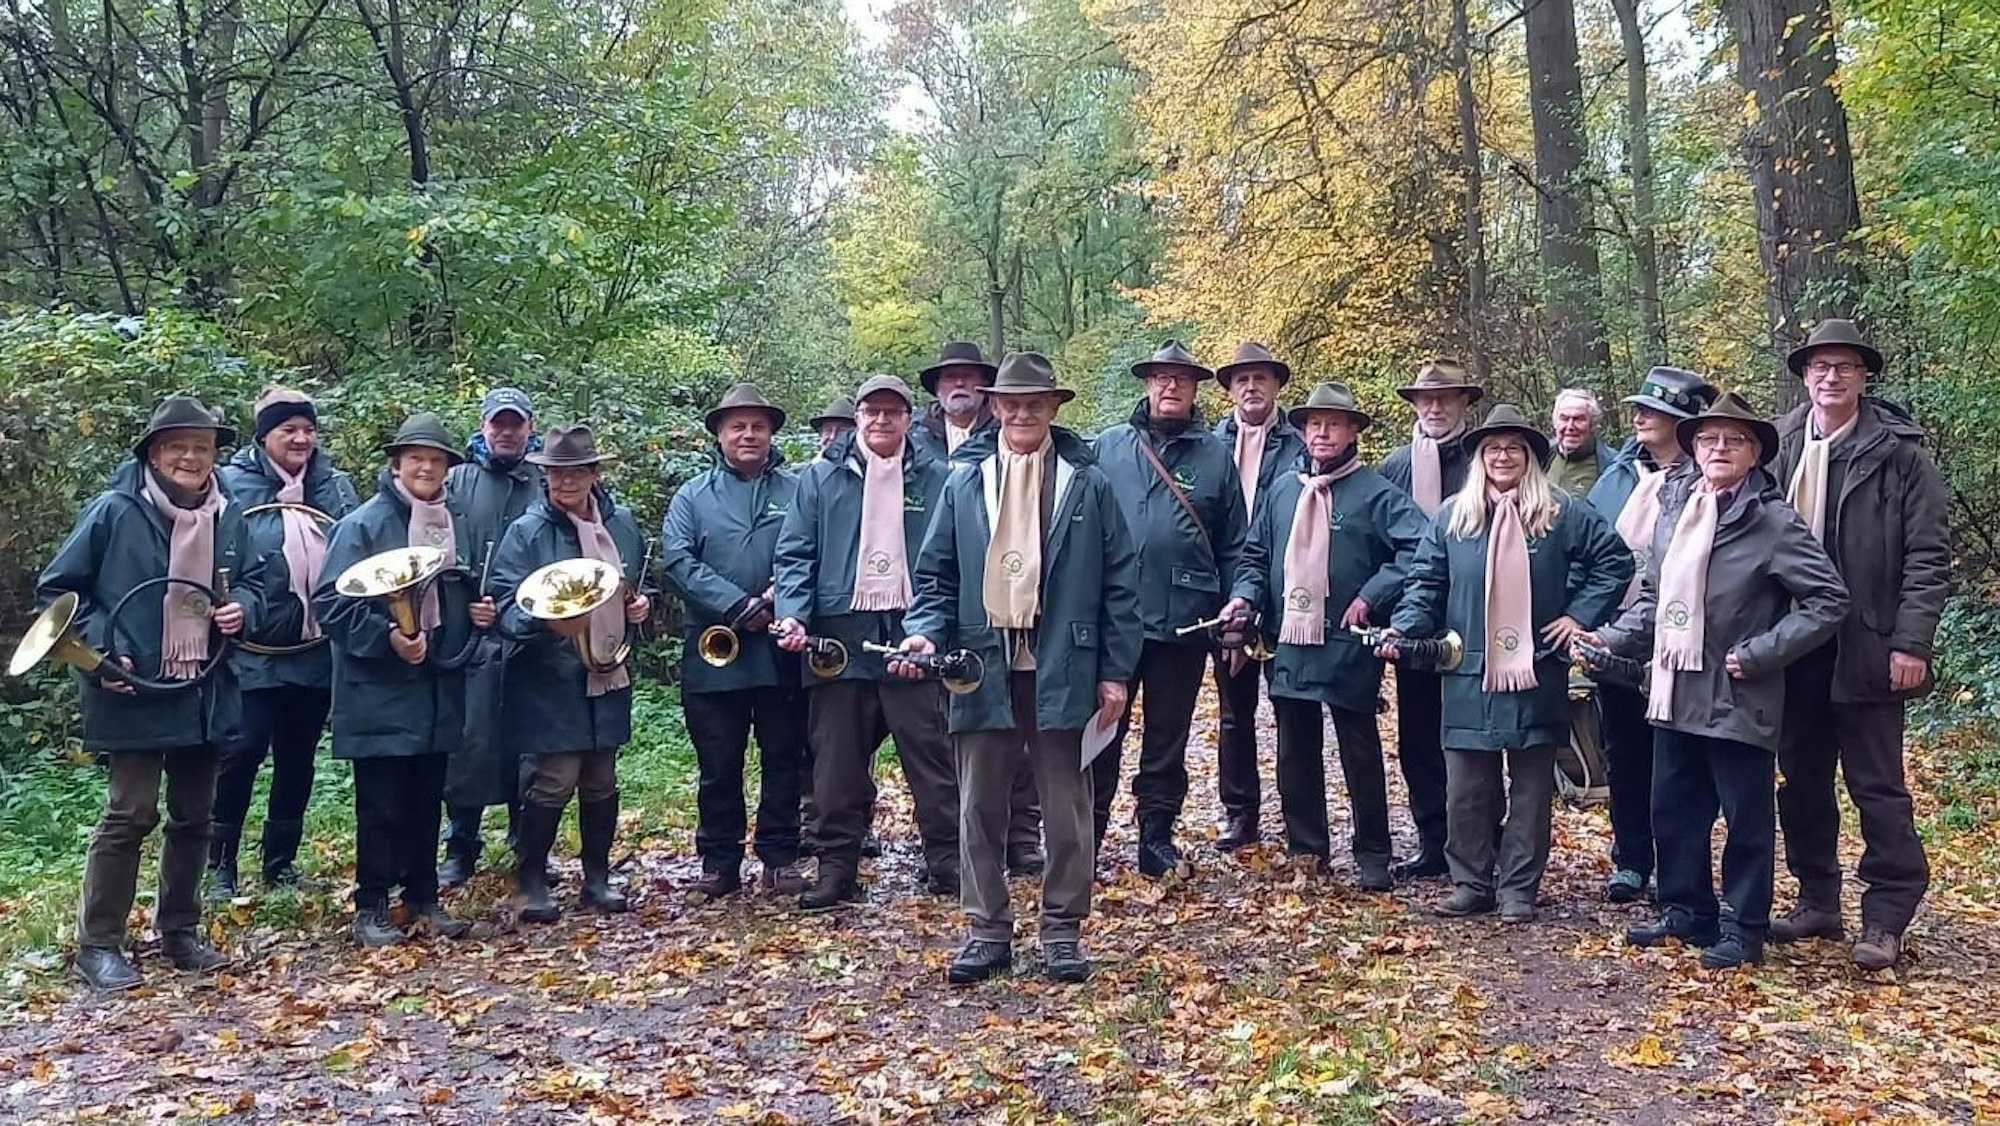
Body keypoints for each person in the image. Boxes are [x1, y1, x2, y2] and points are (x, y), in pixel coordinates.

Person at [896, 351, 1142, 985]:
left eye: (1035, 402)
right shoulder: (963, 483)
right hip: (982, 664)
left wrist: (1114, 670)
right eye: (1011, 402)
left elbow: (1121, 582)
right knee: (979, 803)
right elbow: (935, 576)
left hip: (1066, 665)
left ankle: (1062, 930)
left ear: (1055, 408)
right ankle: (986, 929)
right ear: (994, 407)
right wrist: (924, 634)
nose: (1023, 411)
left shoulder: (1088, 483)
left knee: (1067, 806)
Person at [1586, 393, 1849, 968]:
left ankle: (1744, 928)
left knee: (1745, 818)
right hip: (1674, 687)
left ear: (1755, 453)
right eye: (1708, 439)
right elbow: (1655, 599)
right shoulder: (1677, 507)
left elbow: (1828, 600)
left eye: (1734, 440)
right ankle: (1687, 913)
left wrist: (1761, 653)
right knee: (1673, 808)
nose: (1719, 449)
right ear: (1694, 448)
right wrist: (1609, 638)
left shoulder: (1773, 521)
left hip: (1738, 692)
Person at [39, 396, 268, 990]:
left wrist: (247, 609)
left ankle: (180, 933)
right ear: (153, 454)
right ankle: (99, 945)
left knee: (196, 815)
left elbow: (257, 585)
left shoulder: (231, 514)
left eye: (202, 446)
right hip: (131, 683)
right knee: (129, 813)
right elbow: (60, 590)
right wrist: (97, 658)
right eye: (178, 447)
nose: (191, 457)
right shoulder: (114, 510)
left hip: (205, 685)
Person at [1381, 404, 1630, 922]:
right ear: (1479, 457)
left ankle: (1519, 888)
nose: (1502, 456)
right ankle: (1472, 882)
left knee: (1532, 787)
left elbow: (1615, 561)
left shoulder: (1561, 511)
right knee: (1468, 788)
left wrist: (1577, 616)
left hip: (1536, 670)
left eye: (1513, 448)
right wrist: (1404, 628)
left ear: (1529, 457)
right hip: (1468, 671)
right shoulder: (1453, 516)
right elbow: (1425, 581)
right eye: (1493, 448)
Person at [1769, 319, 1952, 970]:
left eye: (1844, 366)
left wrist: (1911, 642)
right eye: (1820, 367)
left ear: (1863, 376)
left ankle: (1887, 916)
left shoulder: (1900, 453)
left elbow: (1929, 556)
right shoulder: (1784, 442)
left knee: (1877, 785)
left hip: (1870, 645)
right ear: (1805, 376)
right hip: (1797, 645)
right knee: (1803, 780)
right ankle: (1817, 898)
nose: (1831, 377)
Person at [1226, 382, 1426, 890]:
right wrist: (1246, 598)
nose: (1322, 432)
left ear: (1354, 431)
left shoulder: (1377, 492)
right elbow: (1255, 556)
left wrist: (1373, 594)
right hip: (1287, 638)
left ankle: (1374, 853)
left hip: (1346, 640)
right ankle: (1307, 849)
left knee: (1358, 746)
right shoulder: (1282, 490)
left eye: (1334, 423)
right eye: (1314, 423)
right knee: (1294, 746)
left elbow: (1420, 547)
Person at [775, 374, 961, 905]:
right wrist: (793, 616)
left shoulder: (939, 477)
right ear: (856, 417)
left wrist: (931, 629)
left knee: (932, 755)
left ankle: (946, 859)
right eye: (871, 412)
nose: (881, 421)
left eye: (892, 412)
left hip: (912, 638)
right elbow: (794, 555)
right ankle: (837, 868)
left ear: (908, 418)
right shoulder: (817, 479)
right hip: (838, 643)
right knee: (835, 763)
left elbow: (950, 561)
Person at [314, 412, 486, 946]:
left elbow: (460, 589)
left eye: (436, 461)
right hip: (380, 691)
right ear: (396, 465)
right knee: (381, 803)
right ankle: (371, 906)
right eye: (417, 460)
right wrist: (387, 636)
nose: (427, 469)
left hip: (436, 685)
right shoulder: (362, 524)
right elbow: (329, 604)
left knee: (426, 796)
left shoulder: (451, 521)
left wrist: (478, 613)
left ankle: (423, 898)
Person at [1089, 340, 1248, 875]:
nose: (1170, 386)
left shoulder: (1215, 456)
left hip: (1185, 620)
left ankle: (1156, 835)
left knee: (1167, 736)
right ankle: (1085, 833)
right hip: (1112, 618)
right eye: (1161, 377)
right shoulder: (1108, 447)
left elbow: (1235, 544)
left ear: (1196, 387)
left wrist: (1235, 605)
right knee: (1101, 729)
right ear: (1148, 384)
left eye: (1181, 378)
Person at [488, 424, 649, 922]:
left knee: (602, 778)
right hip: (548, 675)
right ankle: (531, 879)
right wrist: (549, 622)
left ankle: (596, 878)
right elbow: (504, 606)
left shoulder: (621, 525)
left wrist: (641, 607)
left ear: (594, 474)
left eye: (576, 472)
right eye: (556, 474)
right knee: (555, 778)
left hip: (608, 671)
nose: (565, 482)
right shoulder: (527, 532)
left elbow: (630, 586)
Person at [208, 386, 360, 897]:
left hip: (314, 650)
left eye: (307, 430)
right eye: (288, 430)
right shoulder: (229, 483)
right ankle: (218, 865)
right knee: (242, 751)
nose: (300, 439)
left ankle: (280, 864)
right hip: (252, 651)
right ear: (265, 434)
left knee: (298, 757)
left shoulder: (333, 485)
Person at [662, 383, 811, 898]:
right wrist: (736, 605)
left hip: (780, 647)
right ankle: (719, 861)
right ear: (719, 435)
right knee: (718, 765)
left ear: (771, 434)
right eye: (737, 426)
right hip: (714, 652)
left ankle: (780, 857)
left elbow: (813, 552)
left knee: (785, 759)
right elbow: (678, 561)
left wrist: (780, 600)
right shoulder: (691, 495)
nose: (748, 435)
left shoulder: (799, 489)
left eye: (758, 426)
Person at [908, 339, 1043, 875]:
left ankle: (1023, 838)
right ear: (937, 391)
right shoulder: (915, 446)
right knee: (953, 739)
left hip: (1022, 619)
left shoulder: (1014, 442)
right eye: (949, 379)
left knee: (1027, 740)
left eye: (969, 377)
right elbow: (933, 557)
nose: (959, 385)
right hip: (948, 616)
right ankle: (950, 854)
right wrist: (927, 624)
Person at [1583, 367, 1716, 904]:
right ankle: (1631, 859)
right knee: (1624, 752)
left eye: (1654, 410)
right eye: (1638, 408)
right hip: (1619, 637)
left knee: (1679, 758)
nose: (1639, 417)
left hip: (1683, 641)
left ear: (1682, 422)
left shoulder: (1704, 479)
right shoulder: (1616, 477)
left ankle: (1681, 871)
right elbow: (1587, 549)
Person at [1377, 358, 1483, 881]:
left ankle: (1481, 839)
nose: (1435, 408)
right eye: (1426, 400)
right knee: (1418, 735)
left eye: (1446, 398)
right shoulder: (1394, 467)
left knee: (1474, 737)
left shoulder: (1485, 460)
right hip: (1414, 622)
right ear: (1415, 406)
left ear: (1465, 402)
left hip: (1478, 620)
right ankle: (1432, 839)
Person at [439, 387, 543, 887]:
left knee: (530, 742)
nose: (506, 431)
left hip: (531, 632)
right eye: (497, 423)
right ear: (482, 426)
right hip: (469, 634)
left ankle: (528, 844)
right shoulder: (455, 480)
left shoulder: (547, 479)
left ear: (530, 426)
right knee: (468, 742)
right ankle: (461, 845)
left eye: (515, 423)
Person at [1209, 342, 1306, 850]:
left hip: (1290, 595)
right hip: (1228, 596)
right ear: (1229, 388)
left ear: (1276, 386)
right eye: (1242, 379)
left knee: (1292, 707)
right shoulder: (1210, 445)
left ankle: (1300, 817)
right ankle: (1240, 812)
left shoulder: (1301, 444)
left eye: (1261, 378)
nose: (1252, 387)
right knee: (1233, 710)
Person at [1545, 388, 1617, 496]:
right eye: (1564, 418)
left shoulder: (1612, 465)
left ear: (1593, 424)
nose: (1570, 426)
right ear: (1555, 423)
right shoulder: (1541, 456)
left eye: (1578, 419)